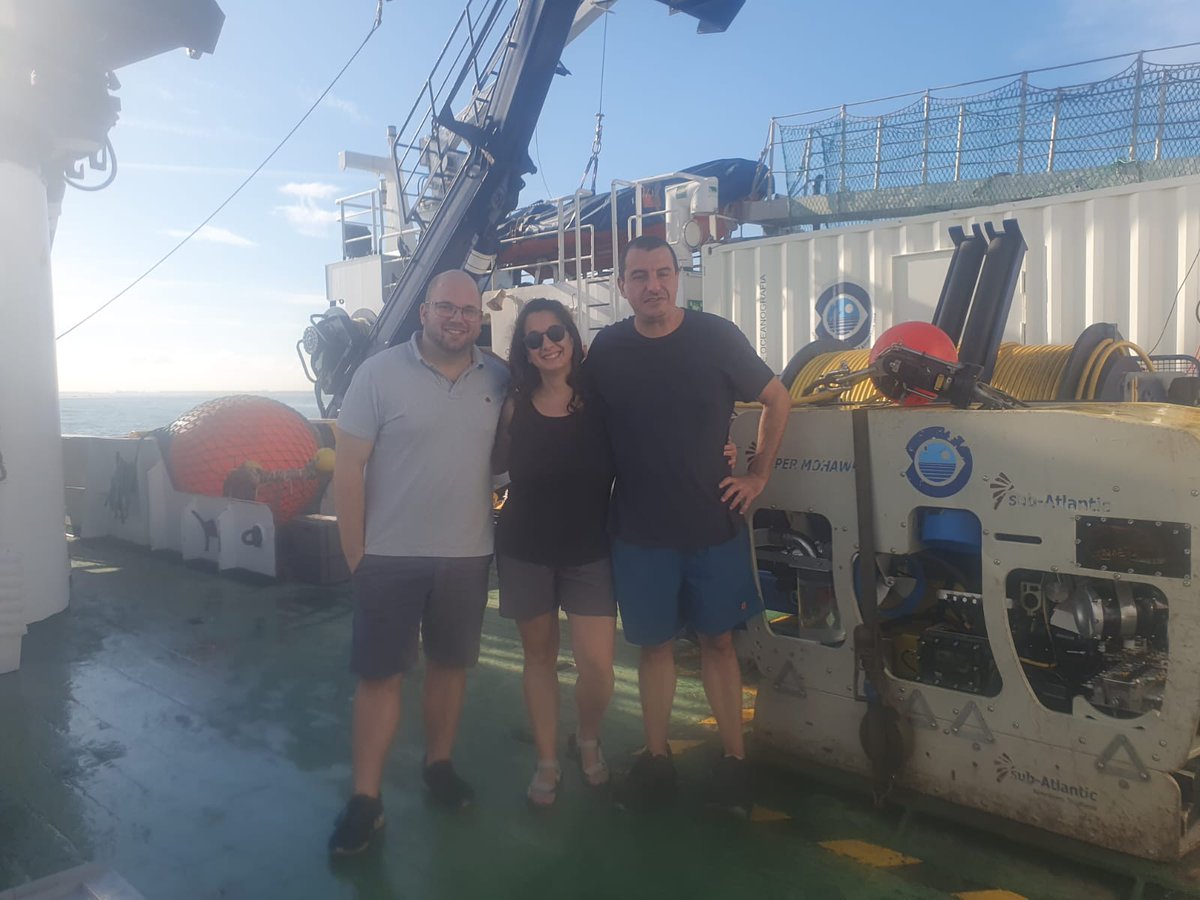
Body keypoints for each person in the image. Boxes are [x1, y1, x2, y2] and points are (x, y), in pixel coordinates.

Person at [583, 234, 792, 816]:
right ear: (622, 286)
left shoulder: (717, 337)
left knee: (719, 642)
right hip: (639, 530)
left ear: (678, 277)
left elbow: (778, 399)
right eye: (639, 276)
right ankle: (657, 760)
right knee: (653, 648)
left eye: (662, 272)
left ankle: (734, 764)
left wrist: (757, 474)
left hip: (712, 524)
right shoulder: (607, 350)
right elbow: (581, 420)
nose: (652, 285)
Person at [328, 269, 509, 855]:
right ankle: (365, 798)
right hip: (389, 555)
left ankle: (438, 765)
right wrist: (357, 554)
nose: (458, 318)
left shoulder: (499, 377)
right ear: (424, 312)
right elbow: (349, 467)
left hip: (467, 554)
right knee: (380, 677)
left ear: (479, 317)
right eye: (446, 308)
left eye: (468, 310)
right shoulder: (378, 374)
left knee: (449, 669)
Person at [491, 298, 617, 808]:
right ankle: (547, 759)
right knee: (539, 658)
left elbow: (653, 440)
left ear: (572, 337)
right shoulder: (513, 407)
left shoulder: (603, 402)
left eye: (555, 333)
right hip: (525, 547)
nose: (547, 344)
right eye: (534, 339)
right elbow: (486, 464)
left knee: (598, 667)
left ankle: (586, 738)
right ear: (525, 351)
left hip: (589, 548)